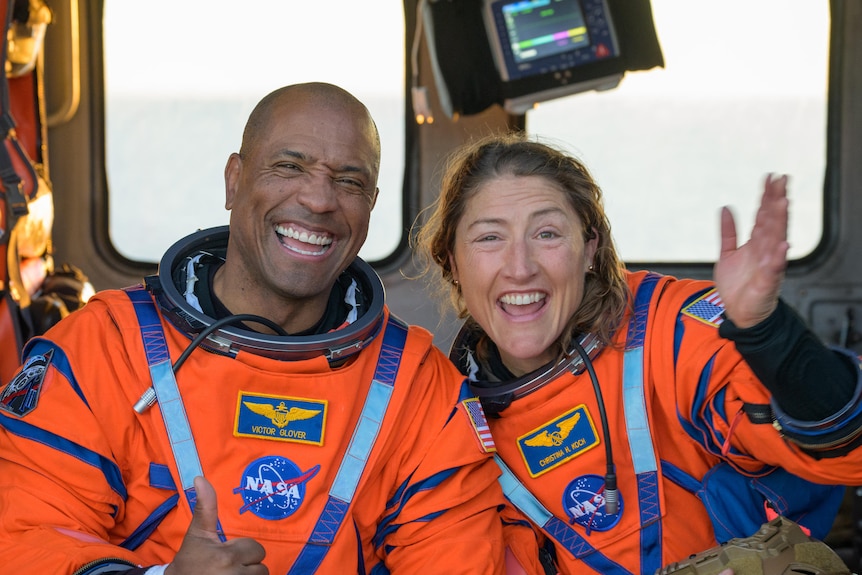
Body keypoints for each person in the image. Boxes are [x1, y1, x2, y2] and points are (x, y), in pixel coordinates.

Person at [0, 83, 510, 574]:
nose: (318, 200)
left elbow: (454, 556)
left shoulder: (420, 388)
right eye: (289, 167)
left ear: (371, 204)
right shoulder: (104, 347)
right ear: (233, 179)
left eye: (349, 181)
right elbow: (25, 534)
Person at [414, 132, 862, 575]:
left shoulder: (670, 333)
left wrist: (768, 333)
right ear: (452, 261)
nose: (520, 267)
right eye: (489, 238)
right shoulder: (445, 418)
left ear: (589, 248)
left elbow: (850, 452)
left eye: (547, 234)